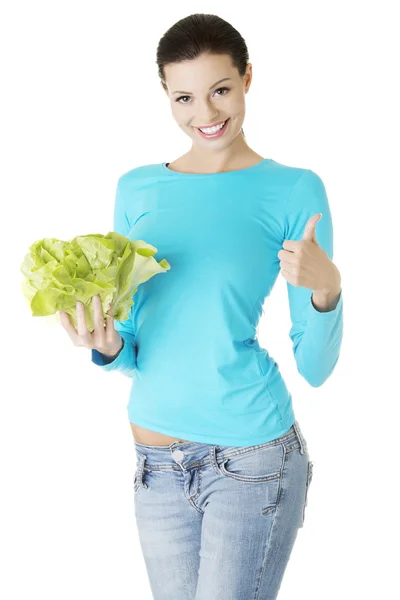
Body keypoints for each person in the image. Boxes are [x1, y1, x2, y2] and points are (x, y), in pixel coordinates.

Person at [60, 12, 343, 600]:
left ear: (246, 79)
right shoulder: (136, 189)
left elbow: (315, 369)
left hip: (252, 462)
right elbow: (138, 343)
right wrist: (108, 346)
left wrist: (326, 289)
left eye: (221, 90)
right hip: (154, 466)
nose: (206, 115)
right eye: (185, 97)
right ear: (166, 95)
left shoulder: (293, 189)